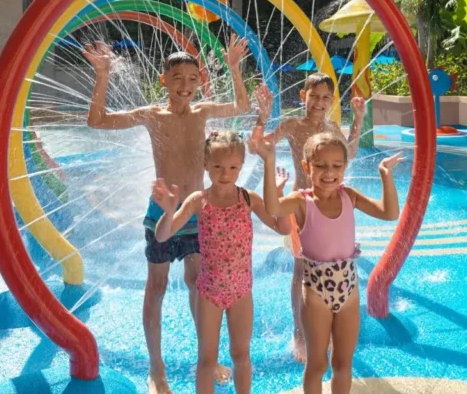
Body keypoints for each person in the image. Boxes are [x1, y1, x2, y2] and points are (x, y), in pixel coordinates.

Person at [83, 35, 251, 394]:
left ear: (200, 81)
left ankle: (208, 357)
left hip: (197, 213)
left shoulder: (203, 112)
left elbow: (241, 105)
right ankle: (156, 367)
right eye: (177, 78)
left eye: (192, 79)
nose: (185, 86)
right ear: (164, 80)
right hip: (163, 213)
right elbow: (96, 121)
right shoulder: (152, 115)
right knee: (157, 286)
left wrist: (235, 68)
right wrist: (103, 75)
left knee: (199, 283)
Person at [250, 132, 405, 394]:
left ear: (345, 167)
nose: (329, 172)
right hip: (315, 293)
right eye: (320, 165)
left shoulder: (349, 196)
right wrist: (268, 161)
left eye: (336, 165)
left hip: (348, 291)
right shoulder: (301, 201)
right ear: (306, 167)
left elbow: (389, 213)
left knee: (343, 363)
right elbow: (273, 208)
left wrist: (385, 174)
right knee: (318, 363)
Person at [153, 130, 292, 394]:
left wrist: (279, 197)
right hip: (209, 293)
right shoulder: (198, 200)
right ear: (205, 165)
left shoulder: (249, 199)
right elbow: (162, 236)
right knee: (206, 360)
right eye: (217, 166)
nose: (225, 173)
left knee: (241, 355)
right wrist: (169, 212)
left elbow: (283, 228)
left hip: (241, 291)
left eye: (232, 167)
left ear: (241, 166)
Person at [251, 73, 366, 362]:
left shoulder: (331, 127)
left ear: (332, 100)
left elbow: (349, 152)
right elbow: (259, 144)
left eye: (326, 97)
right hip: (301, 207)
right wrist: (262, 117)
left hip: (327, 207)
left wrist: (358, 119)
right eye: (314, 96)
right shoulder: (293, 125)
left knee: (329, 262)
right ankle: (299, 331)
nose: (319, 102)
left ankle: (327, 323)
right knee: (302, 269)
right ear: (303, 96)